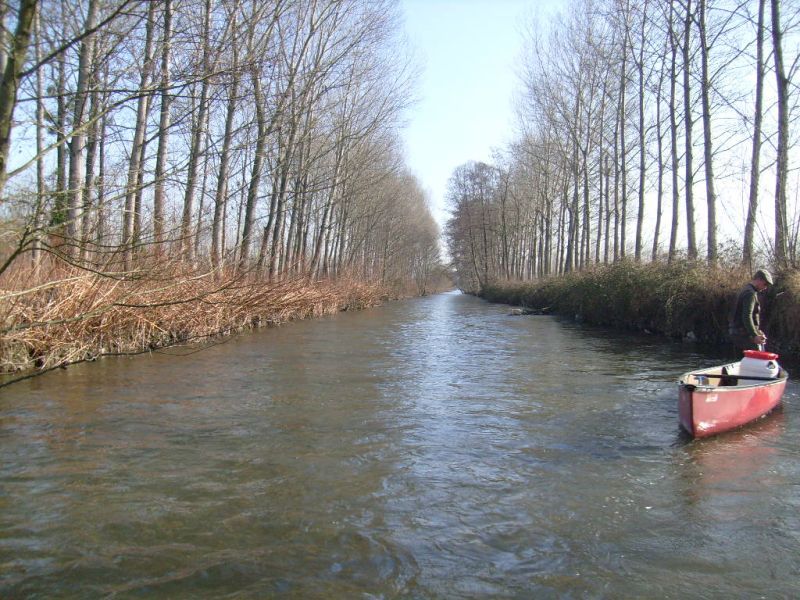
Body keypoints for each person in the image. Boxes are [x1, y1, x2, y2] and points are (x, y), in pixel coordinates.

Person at [728, 269, 773, 353]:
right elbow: (747, 316)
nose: (765, 287)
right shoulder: (750, 294)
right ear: (759, 279)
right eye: (765, 284)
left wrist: (757, 331)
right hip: (742, 334)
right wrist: (755, 335)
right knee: (757, 356)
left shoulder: (745, 289)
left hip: (736, 332)